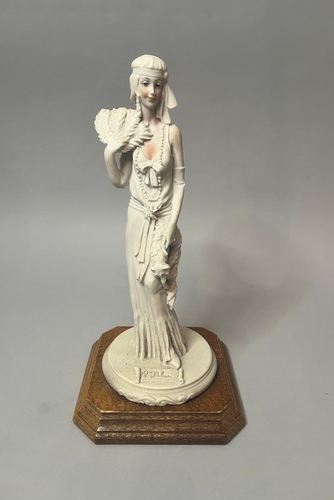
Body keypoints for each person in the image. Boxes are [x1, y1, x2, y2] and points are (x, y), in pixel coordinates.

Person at [102, 55, 187, 369]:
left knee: (155, 283)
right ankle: (155, 346)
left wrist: (171, 224)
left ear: (165, 89)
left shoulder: (172, 133)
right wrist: (110, 152)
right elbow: (120, 181)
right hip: (137, 218)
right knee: (141, 287)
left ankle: (166, 347)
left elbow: (180, 181)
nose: (152, 91)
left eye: (158, 84)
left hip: (163, 219)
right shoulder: (131, 132)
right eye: (146, 83)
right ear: (135, 86)